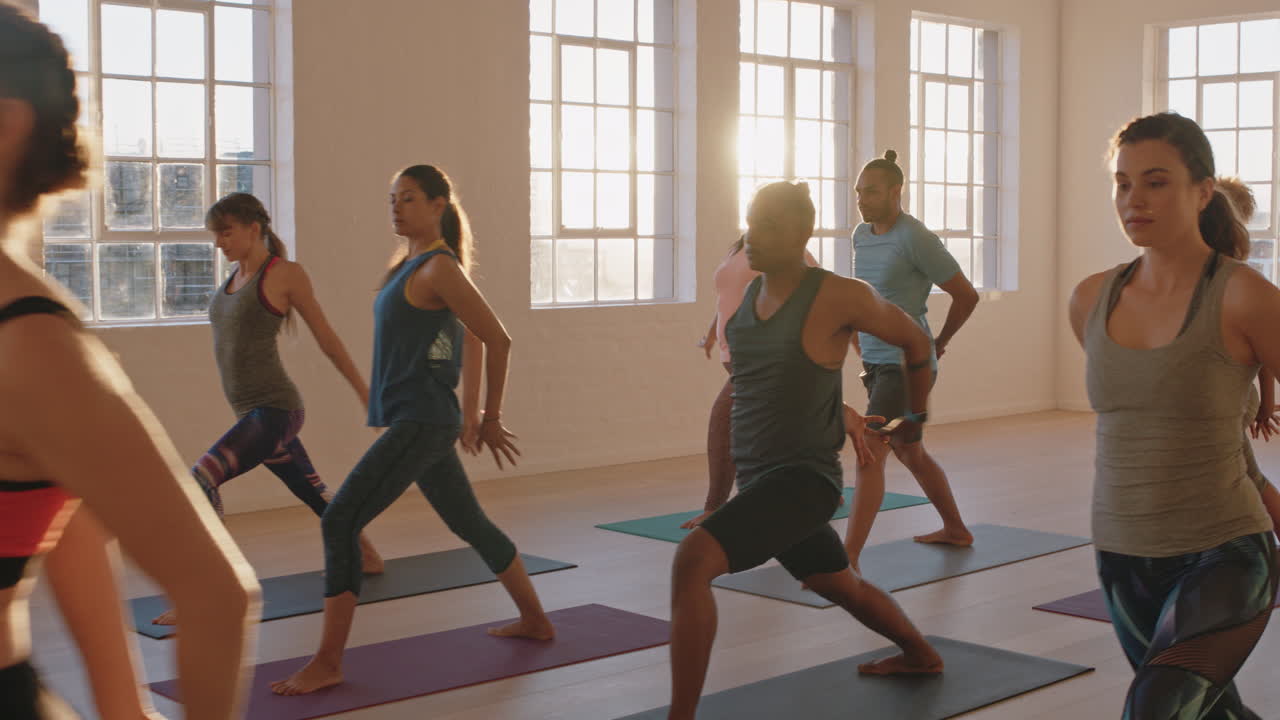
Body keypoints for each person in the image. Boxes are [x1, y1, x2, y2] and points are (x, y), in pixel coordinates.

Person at [0, 3, 259, 718]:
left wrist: (125, 707)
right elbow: (65, 511)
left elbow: (214, 592)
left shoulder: (33, 348)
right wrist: (123, 703)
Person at [271, 165, 555, 696]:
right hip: (425, 418)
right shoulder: (412, 266)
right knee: (470, 523)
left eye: (408, 198)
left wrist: (486, 416)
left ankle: (328, 661)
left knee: (340, 522)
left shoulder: (439, 269)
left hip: (422, 421)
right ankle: (535, 619)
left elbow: (497, 339)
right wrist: (462, 411)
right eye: (391, 199)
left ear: (439, 205)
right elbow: (452, 342)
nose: (396, 208)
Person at [665, 181, 942, 720]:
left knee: (691, 562)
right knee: (840, 584)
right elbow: (766, 389)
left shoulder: (840, 294)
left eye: (767, 226)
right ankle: (920, 654)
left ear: (801, 234)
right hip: (760, 478)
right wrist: (720, 494)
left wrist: (916, 415)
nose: (754, 237)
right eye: (751, 223)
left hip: (802, 482)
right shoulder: (750, 299)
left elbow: (914, 341)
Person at [1068, 112, 1279, 718]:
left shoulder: (1243, 295)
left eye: (1156, 182)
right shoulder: (1089, 298)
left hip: (1225, 555)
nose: (1134, 199)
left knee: (1154, 711)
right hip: (1121, 553)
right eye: (1123, 182)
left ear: (1203, 191)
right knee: (1211, 713)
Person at [150, 192, 384, 625]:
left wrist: (363, 392)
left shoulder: (284, 274)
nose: (219, 241)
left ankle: (209, 590)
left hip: (275, 409)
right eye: (215, 234)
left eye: (226, 231)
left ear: (253, 227)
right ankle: (366, 554)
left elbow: (327, 339)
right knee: (313, 492)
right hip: (252, 414)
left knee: (201, 481)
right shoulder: (233, 277)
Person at [845, 149, 978, 571]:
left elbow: (966, 295)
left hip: (905, 367)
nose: (862, 199)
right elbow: (865, 295)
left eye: (871, 191)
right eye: (858, 192)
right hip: (877, 363)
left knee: (870, 449)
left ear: (895, 192)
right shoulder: (861, 235)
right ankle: (956, 529)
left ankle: (847, 559)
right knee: (909, 450)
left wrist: (938, 342)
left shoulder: (915, 237)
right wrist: (855, 337)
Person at [687, 237, 822, 529]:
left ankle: (715, 508)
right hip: (734, 351)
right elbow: (728, 297)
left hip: (763, 354)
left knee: (723, 422)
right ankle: (822, 486)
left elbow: (813, 295)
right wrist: (713, 333)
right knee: (789, 425)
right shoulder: (739, 247)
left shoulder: (789, 250)